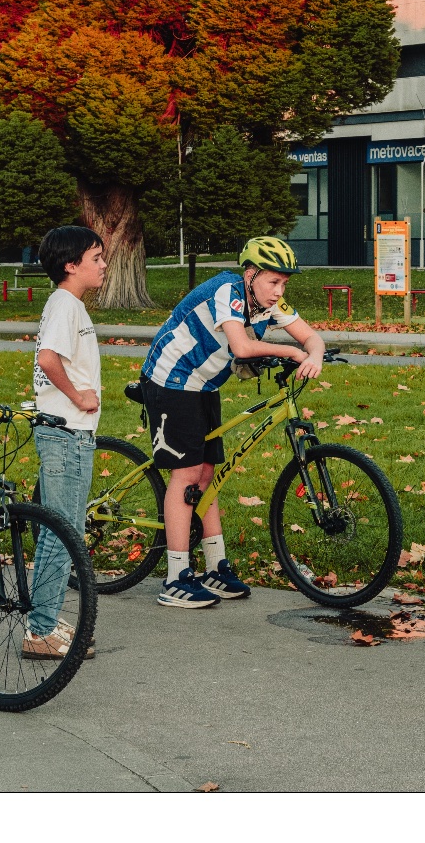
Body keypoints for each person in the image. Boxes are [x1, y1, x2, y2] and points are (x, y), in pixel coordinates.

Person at [140, 236, 327, 608]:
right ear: (251, 273)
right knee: (187, 473)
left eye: (284, 284)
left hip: (204, 385)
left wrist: (315, 354)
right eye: (273, 281)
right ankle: (176, 577)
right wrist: (291, 351)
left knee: (208, 472)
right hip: (171, 379)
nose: (278, 291)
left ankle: (215, 567)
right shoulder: (229, 290)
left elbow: (312, 337)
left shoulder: (266, 302)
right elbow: (242, 348)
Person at [24, 225, 108, 661]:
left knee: (59, 531)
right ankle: (40, 630)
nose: (103, 265)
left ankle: (44, 618)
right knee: (63, 533)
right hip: (66, 432)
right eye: (96, 258)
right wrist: (77, 396)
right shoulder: (65, 305)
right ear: (71, 265)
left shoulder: (68, 305)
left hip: (68, 432)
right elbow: (47, 358)